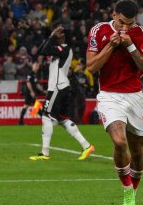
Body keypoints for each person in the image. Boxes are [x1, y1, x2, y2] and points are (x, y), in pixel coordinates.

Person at [86, 0, 143, 205]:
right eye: (123, 22)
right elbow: (91, 66)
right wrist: (111, 45)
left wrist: (130, 45)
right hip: (109, 96)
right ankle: (126, 190)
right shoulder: (99, 31)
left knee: (138, 152)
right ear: (113, 15)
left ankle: (133, 190)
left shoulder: (141, 33)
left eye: (130, 24)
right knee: (118, 140)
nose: (126, 28)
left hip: (135, 96)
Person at [29, 25, 95, 161]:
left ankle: (44, 153)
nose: (55, 37)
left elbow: (45, 50)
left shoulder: (64, 48)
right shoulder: (61, 49)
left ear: (62, 37)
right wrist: (50, 37)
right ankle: (86, 145)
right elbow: (41, 51)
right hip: (61, 87)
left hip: (57, 88)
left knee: (46, 116)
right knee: (62, 119)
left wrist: (53, 36)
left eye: (58, 35)